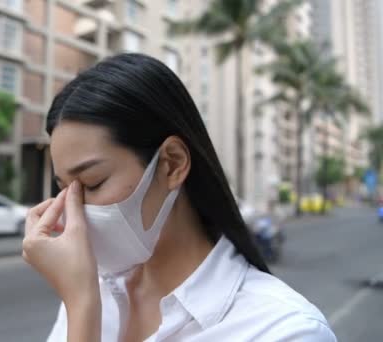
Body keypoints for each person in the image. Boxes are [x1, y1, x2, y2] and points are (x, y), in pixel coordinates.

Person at [22, 53, 335, 342]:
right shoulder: (94, 289)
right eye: (64, 189)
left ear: (171, 163)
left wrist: (81, 305)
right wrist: (81, 303)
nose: (72, 211)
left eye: (93, 183)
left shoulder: (285, 329)